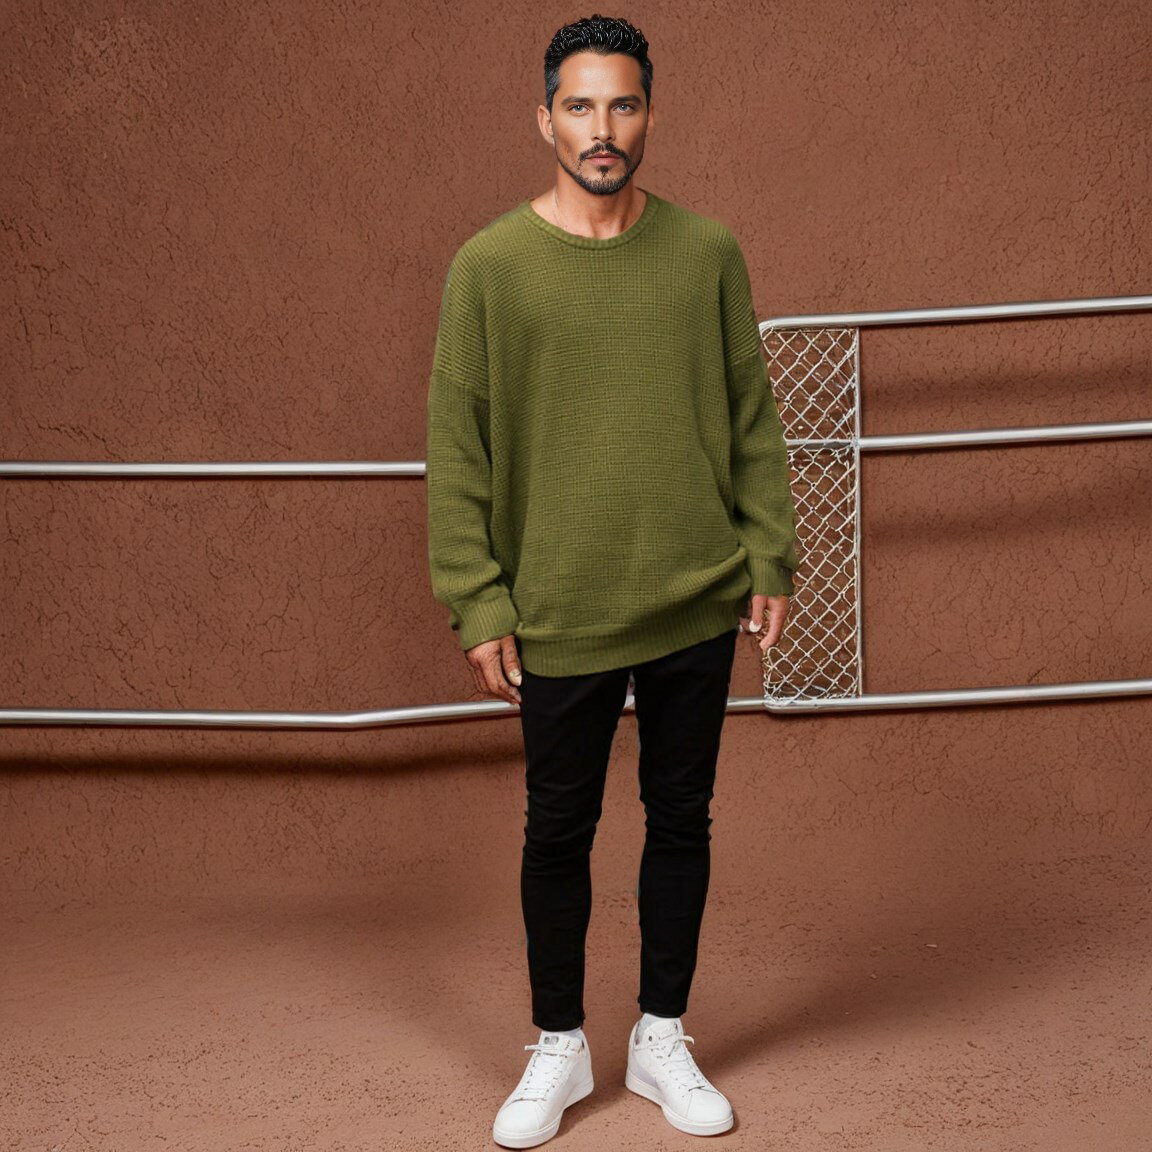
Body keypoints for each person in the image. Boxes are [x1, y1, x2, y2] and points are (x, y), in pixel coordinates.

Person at [425, 13, 799, 1147]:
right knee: (558, 828)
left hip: (695, 591)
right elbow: (457, 446)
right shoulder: (490, 267)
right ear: (544, 118)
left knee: (682, 817)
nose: (603, 127)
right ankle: (559, 1044)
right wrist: (478, 599)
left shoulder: (707, 252)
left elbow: (750, 414)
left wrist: (769, 550)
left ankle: (660, 1036)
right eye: (580, 105)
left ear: (649, 115)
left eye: (622, 104)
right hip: (560, 605)